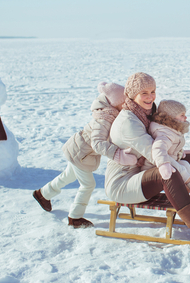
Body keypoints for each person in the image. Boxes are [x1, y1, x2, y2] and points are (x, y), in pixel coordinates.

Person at [104, 72, 190, 245]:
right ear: (131, 95)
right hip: (123, 185)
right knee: (167, 172)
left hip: (141, 174)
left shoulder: (144, 112)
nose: (150, 97)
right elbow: (157, 157)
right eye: (144, 93)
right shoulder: (128, 123)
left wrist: (179, 151)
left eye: (153, 91)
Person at [33, 82, 138, 228]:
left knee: (67, 176)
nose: (126, 106)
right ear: (115, 103)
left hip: (79, 151)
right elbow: (97, 143)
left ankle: (42, 194)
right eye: (123, 103)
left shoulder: (109, 114)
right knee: (88, 185)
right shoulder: (104, 119)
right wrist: (117, 154)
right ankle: (75, 218)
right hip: (80, 154)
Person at [147, 100, 190, 208]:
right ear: (171, 117)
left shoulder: (170, 129)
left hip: (169, 163)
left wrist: (180, 152)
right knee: (183, 167)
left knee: (186, 164)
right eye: (182, 115)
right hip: (156, 168)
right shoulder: (164, 133)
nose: (185, 118)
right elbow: (158, 148)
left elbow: (171, 148)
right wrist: (163, 164)